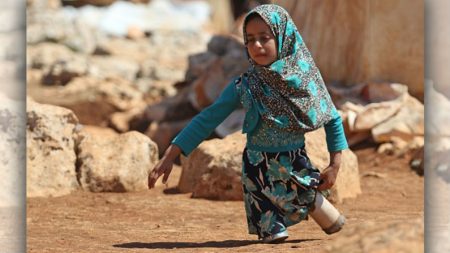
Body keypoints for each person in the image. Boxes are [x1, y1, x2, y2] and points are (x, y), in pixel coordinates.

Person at [148, 4, 348, 244]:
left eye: (265, 38)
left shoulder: (305, 79)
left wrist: (335, 164)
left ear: (284, 37)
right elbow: (209, 117)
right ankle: (274, 228)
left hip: (294, 162)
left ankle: (318, 208)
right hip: (256, 168)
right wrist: (172, 153)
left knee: (318, 208)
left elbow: (332, 118)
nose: (257, 46)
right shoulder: (245, 86)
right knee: (272, 233)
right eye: (250, 39)